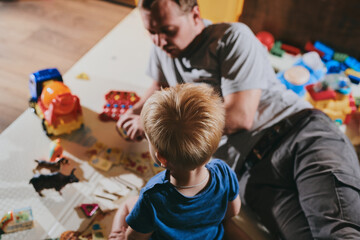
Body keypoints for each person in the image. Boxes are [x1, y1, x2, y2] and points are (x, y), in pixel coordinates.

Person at [117, 0, 360, 239]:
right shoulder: (163, 49)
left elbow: (240, 116)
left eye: (168, 31)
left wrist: (155, 128)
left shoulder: (231, 37)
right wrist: (135, 111)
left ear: (195, 15)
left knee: (339, 232)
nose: (159, 41)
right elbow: (158, 86)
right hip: (249, 174)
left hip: (299, 135)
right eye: (152, 32)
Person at [110, 83, 243, 240]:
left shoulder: (153, 195)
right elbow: (233, 211)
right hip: (210, 236)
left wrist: (126, 236)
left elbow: (136, 237)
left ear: (161, 158)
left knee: (127, 205)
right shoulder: (224, 172)